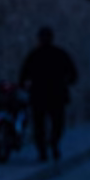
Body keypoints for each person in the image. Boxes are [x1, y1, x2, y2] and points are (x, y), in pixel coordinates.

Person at [19, 27, 78, 163]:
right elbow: (73, 74)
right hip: (52, 95)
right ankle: (49, 146)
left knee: (46, 124)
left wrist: (24, 85)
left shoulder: (37, 55)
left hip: (43, 95)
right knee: (53, 123)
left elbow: (23, 75)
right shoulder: (57, 54)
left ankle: (47, 148)